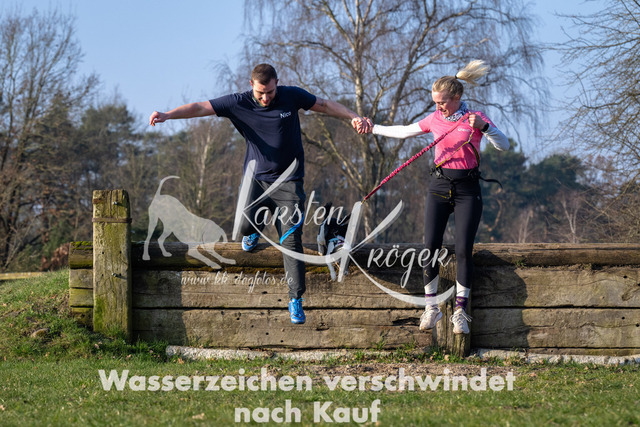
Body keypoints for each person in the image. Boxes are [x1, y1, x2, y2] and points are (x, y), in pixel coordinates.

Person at [149, 63, 371, 325]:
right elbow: (199, 107)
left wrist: (353, 116)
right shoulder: (238, 102)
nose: (265, 98)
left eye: (270, 92)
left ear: (277, 83)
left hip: (289, 183)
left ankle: (295, 298)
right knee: (244, 227)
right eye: (260, 93)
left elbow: (323, 105)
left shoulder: (291, 96)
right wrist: (167, 115)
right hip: (255, 181)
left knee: (291, 240)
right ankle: (253, 229)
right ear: (251, 85)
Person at [355, 60, 509, 334]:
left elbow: (504, 145)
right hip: (439, 186)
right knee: (430, 247)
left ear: (456, 97)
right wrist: (373, 127)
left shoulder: (475, 117)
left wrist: (485, 128)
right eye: (435, 102)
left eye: (442, 102)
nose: (438, 107)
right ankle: (431, 308)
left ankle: (460, 312)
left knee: (463, 249)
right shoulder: (435, 119)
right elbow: (404, 131)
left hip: (467, 190)